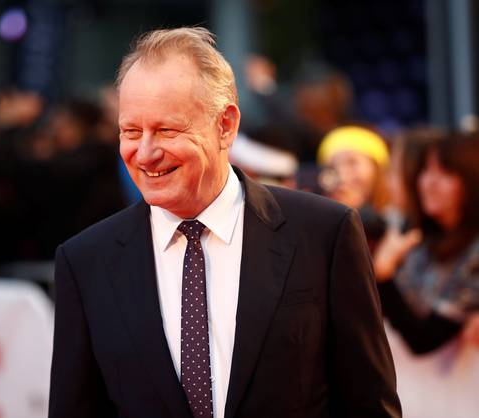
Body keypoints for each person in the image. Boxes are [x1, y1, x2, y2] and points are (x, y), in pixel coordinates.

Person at [48, 27, 401, 418]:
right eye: (131, 131)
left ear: (226, 125)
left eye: (166, 129)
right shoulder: (85, 262)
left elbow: (370, 405)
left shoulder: (324, 234)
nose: (144, 153)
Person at [374, 132, 479, 354]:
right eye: (427, 170)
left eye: (446, 173)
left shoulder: (474, 254)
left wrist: (383, 274)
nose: (428, 182)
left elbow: (422, 339)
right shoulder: (420, 239)